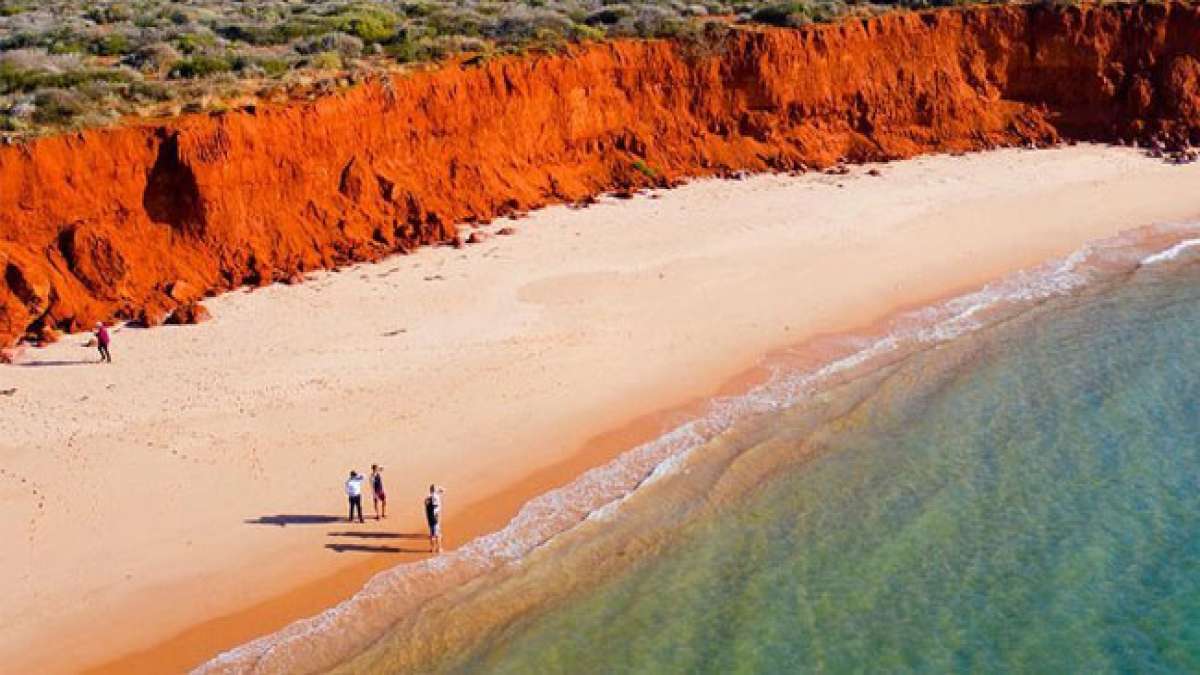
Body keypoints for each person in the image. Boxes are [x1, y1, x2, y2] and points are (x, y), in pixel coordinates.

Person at [425, 484, 445, 553]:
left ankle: (432, 549)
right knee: (437, 534)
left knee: (432, 534)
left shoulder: (428, 498)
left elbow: (427, 504)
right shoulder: (435, 498)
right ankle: (439, 548)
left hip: (430, 518)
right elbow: (436, 508)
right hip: (434, 518)